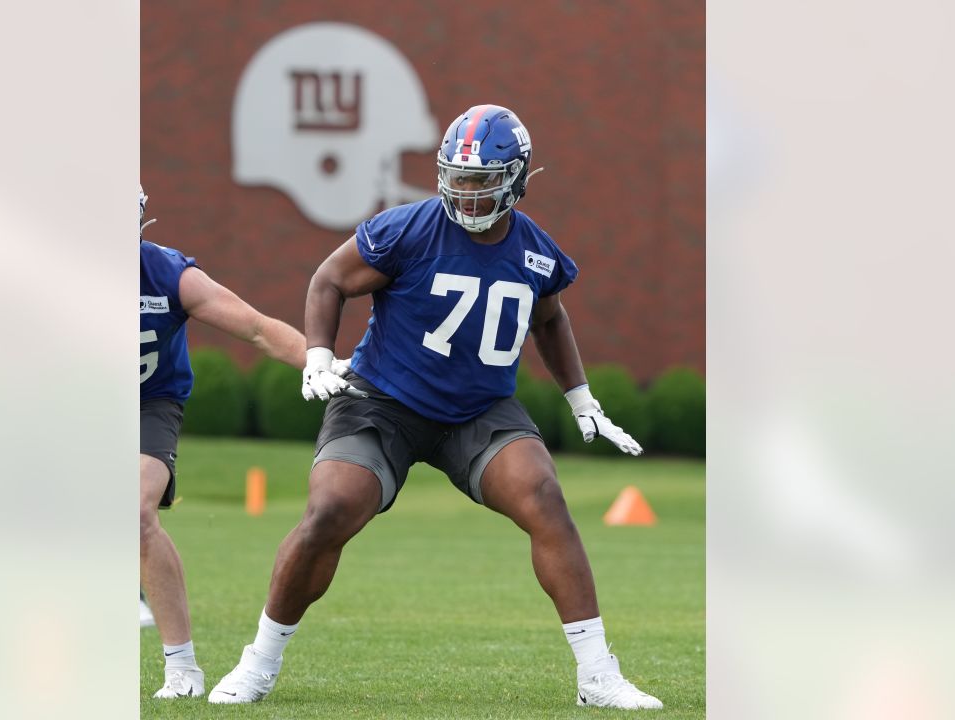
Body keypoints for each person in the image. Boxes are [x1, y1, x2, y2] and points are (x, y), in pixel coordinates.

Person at [207, 105, 664, 711]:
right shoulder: (408, 228)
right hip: (383, 402)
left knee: (545, 497)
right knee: (330, 510)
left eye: (483, 181)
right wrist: (318, 353)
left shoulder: (535, 250)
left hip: (478, 411)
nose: (469, 194)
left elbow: (549, 318)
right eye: (459, 178)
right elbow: (328, 279)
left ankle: (598, 675)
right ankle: (258, 662)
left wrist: (580, 396)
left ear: (518, 177)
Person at [138, 185, 356, 698]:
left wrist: (321, 361)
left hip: (149, 403)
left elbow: (257, 329)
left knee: (135, 512)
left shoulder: (169, 274)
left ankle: (182, 668)